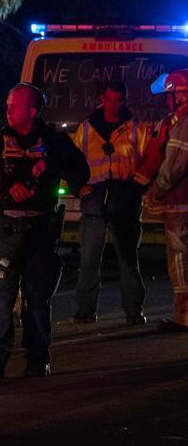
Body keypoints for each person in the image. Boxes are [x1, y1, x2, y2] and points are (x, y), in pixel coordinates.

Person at [0, 84, 89, 378]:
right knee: (1, 294)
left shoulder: (54, 142)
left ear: (32, 112)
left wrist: (59, 173)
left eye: (14, 106)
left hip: (41, 230)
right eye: (8, 105)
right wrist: (7, 185)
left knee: (37, 296)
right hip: (7, 228)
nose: (8, 110)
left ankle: (38, 359)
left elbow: (79, 169)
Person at [69, 81, 150, 325]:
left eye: (118, 100)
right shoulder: (85, 129)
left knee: (128, 259)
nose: (114, 105)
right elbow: (72, 161)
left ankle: (133, 310)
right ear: (102, 99)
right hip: (95, 198)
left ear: (124, 100)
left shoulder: (136, 128)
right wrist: (78, 187)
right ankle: (85, 310)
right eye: (110, 100)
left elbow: (148, 161)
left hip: (124, 198)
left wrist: (135, 190)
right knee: (89, 260)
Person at [143, 69, 188, 332]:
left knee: (181, 260)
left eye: (170, 96)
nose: (167, 102)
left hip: (181, 204)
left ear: (180, 96)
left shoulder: (183, 125)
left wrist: (154, 191)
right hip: (180, 203)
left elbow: (173, 169)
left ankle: (183, 316)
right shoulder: (176, 122)